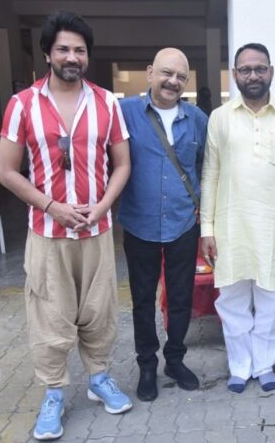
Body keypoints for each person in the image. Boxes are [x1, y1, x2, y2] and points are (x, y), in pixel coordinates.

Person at [0, 10, 132, 440]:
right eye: (63, 49)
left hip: (97, 231)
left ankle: (99, 378)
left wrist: (104, 205)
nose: (72, 57)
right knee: (49, 315)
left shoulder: (107, 102)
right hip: (47, 232)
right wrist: (51, 206)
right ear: (47, 54)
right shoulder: (22, 105)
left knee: (99, 311)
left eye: (79, 50)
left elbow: (122, 164)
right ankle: (54, 393)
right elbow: (6, 171)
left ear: (87, 55)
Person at [200, 43, 275, 393]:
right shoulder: (220, 117)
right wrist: (207, 229)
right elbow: (210, 176)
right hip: (230, 228)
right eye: (246, 69)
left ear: (271, 72)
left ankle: (264, 365)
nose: (253, 75)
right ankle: (239, 366)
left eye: (260, 68)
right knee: (231, 303)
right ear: (235, 75)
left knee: (272, 303)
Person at [118, 48, 208, 402]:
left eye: (181, 77)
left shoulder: (197, 119)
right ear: (150, 73)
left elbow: (205, 166)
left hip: (183, 224)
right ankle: (146, 364)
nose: (173, 81)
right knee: (142, 299)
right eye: (167, 73)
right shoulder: (124, 113)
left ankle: (175, 359)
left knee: (181, 296)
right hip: (139, 223)